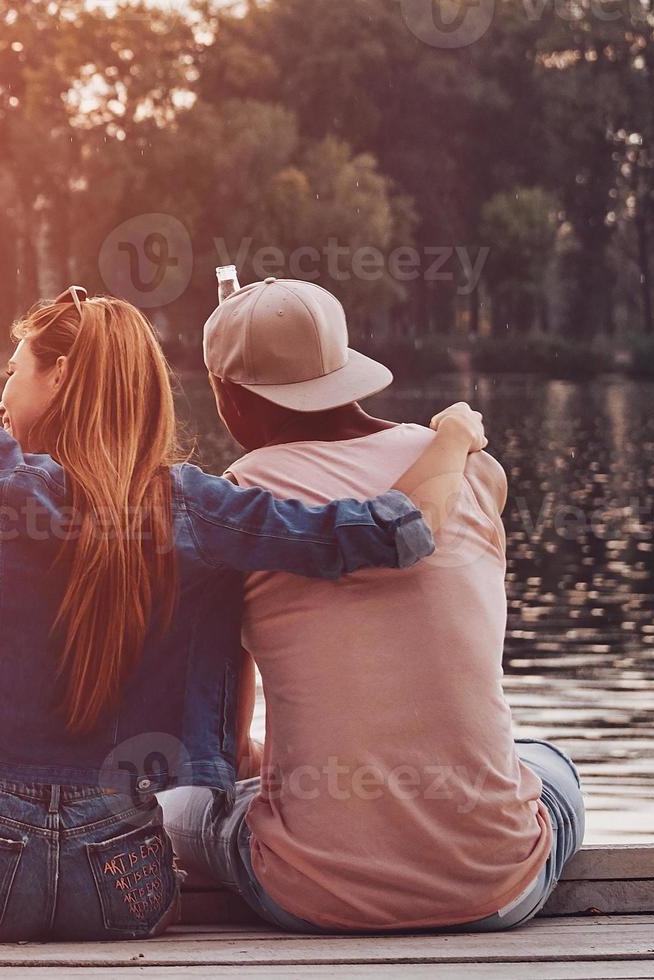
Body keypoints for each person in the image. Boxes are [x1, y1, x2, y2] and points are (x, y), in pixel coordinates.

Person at [0, 122, 492, 942]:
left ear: (61, 374)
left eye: (14, 372)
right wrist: (455, 435)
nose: (2, 397)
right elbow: (396, 531)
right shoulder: (204, 508)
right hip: (126, 894)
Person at [154, 277, 584, 934]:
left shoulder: (243, 500)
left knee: (182, 797)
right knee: (548, 761)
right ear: (344, 372)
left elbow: (227, 745)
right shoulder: (473, 471)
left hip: (309, 896)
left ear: (229, 400)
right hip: (501, 887)